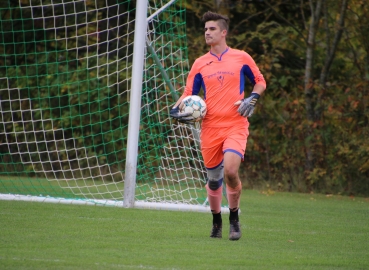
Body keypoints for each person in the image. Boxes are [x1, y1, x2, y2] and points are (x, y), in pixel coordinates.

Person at [170, 11, 266, 240]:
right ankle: (216, 222)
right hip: (210, 127)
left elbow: (260, 81)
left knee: (231, 171)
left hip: (235, 124)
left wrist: (252, 98)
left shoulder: (242, 57)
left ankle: (234, 219)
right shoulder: (200, 63)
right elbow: (188, 94)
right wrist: (175, 110)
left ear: (224, 32)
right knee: (214, 180)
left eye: (212, 29)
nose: (207, 32)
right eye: (205, 29)